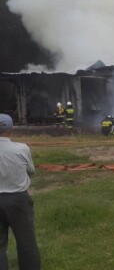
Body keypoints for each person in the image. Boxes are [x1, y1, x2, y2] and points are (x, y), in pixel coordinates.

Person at [0, 114, 41, 269]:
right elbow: (30, 170)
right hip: (18, 200)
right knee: (26, 243)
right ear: (11, 129)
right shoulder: (22, 148)